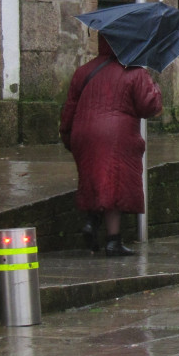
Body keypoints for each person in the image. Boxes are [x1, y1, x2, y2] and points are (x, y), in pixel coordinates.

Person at [60, 34, 162, 256]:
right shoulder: (135, 72)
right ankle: (113, 241)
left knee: (93, 179)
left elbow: (69, 108)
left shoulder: (84, 71)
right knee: (114, 186)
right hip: (116, 136)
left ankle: (91, 222)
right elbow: (148, 107)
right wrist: (154, 86)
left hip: (83, 133)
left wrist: (68, 136)